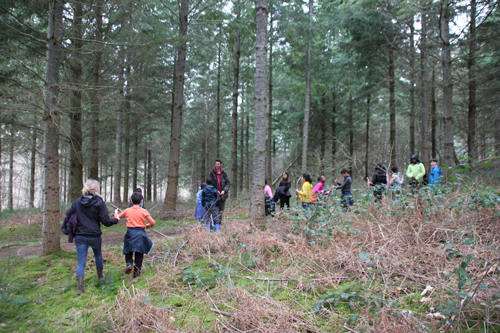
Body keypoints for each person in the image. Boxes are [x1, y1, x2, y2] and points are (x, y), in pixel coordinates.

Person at [65, 179, 119, 295]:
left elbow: (68, 213)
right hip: (94, 235)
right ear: (95, 189)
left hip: (80, 235)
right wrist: (116, 220)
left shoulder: (78, 202)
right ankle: (100, 277)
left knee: (81, 261)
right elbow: (106, 221)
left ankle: (80, 289)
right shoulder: (99, 203)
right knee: (98, 255)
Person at [115, 192, 155, 278]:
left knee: (128, 250)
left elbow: (117, 218)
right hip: (140, 233)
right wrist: (148, 225)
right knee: (139, 252)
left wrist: (115, 212)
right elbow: (152, 222)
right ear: (141, 201)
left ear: (131, 201)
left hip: (130, 233)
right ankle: (137, 273)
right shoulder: (144, 211)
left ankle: (129, 263)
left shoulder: (127, 210)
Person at [208, 159, 230, 223]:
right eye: (216, 164)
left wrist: (224, 190)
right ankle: (214, 223)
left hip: (223, 195)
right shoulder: (211, 173)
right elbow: (209, 183)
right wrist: (215, 190)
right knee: (214, 209)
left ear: (221, 164)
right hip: (214, 195)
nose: (217, 165)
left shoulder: (224, 173)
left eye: (218, 164)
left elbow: (228, 183)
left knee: (221, 210)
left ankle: (219, 223)